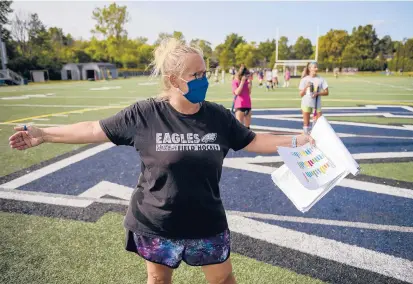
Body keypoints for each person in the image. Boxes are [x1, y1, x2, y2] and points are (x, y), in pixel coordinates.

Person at [9, 37, 313, 284]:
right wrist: (44, 134)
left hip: (207, 221)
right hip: (155, 222)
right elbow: (92, 128)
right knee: (157, 280)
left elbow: (255, 140)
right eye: (196, 75)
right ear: (173, 79)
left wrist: (300, 141)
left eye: (205, 73)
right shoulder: (144, 115)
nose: (203, 80)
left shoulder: (217, 116)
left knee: (222, 280)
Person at [299, 61, 329, 134]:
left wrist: (317, 93)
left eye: (317, 67)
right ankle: (306, 140)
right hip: (306, 103)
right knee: (306, 124)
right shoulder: (304, 79)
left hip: (317, 105)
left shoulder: (321, 79)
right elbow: (301, 94)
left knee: (318, 124)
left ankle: (316, 141)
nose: (316, 69)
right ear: (310, 68)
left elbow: (327, 92)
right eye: (315, 67)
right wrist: (306, 86)